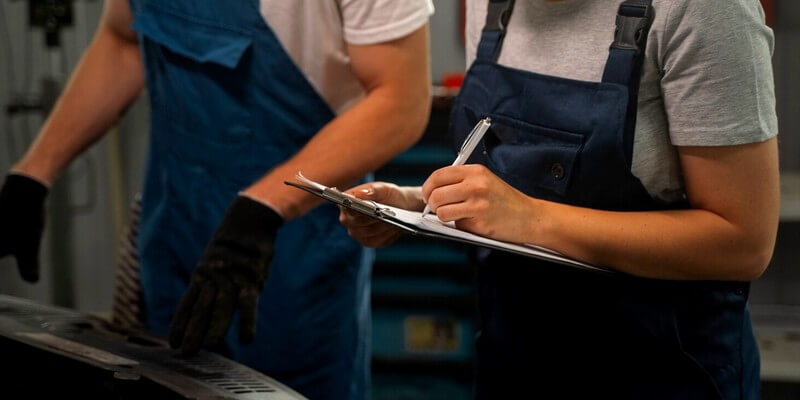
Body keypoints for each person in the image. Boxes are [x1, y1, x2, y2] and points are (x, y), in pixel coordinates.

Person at [340, 0, 779, 398]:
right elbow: (510, 188)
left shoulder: (702, 11)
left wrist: (532, 218)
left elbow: (743, 241)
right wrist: (414, 203)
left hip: (661, 372)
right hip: (513, 361)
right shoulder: (489, 6)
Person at [0, 0, 433, 398]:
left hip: (289, 244)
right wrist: (35, 171)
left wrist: (265, 206)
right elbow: (123, 40)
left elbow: (402, 101)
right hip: (174, 220)